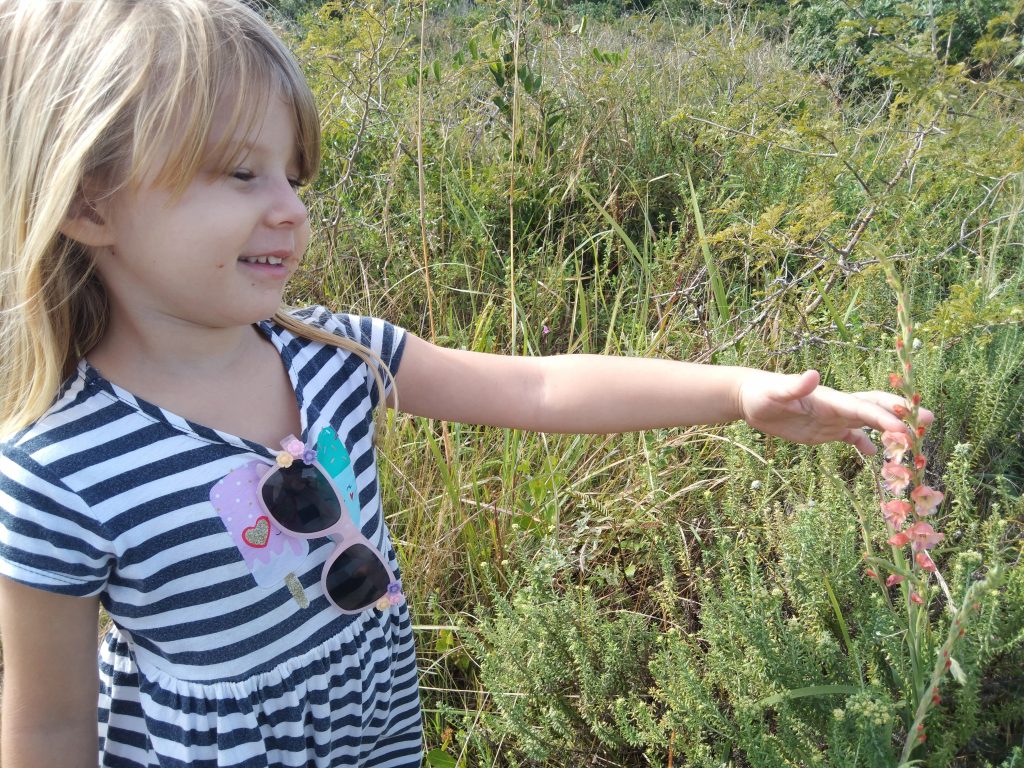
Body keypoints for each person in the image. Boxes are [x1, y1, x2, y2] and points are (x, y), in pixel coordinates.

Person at [0, 1, 925, 766]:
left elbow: (537, 389)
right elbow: (46, 727)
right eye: (241, 173)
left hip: (374, 730)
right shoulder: (58, 471)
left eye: (293, 173)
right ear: (89, 201)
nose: (291, 208)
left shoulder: (336, 354)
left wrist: (738, 392)